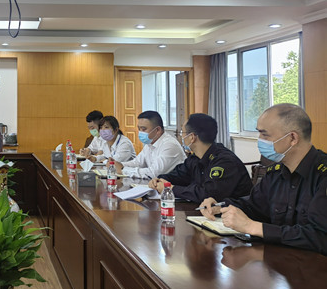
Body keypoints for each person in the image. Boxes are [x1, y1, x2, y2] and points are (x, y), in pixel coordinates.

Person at [200, 104, 327, 254]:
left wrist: (252, 227)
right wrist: (220, 206)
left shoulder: (321, 176)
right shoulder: (276, 173)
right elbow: (253, 206)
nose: (259, 140)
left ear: (292, 138)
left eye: (265, 135)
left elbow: (320, 237)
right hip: (279, 260)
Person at [148, 113, 252, 203]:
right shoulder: (196, 158)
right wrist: (159, 180)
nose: (181, 137)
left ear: (192, 137)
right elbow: (178, 175)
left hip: (233, 216)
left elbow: (208, 194)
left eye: (182, 133)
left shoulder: (225, 162)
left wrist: (171, 189)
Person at [114, 110, 185, 179]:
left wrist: (123, 170)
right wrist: (119, 165)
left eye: (144, 129)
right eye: (139, 129)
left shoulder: (170, 145)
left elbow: (153, 173)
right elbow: (138, 162)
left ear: (158, 130)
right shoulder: (150, 143)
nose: (140, 132)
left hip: (173, 186)